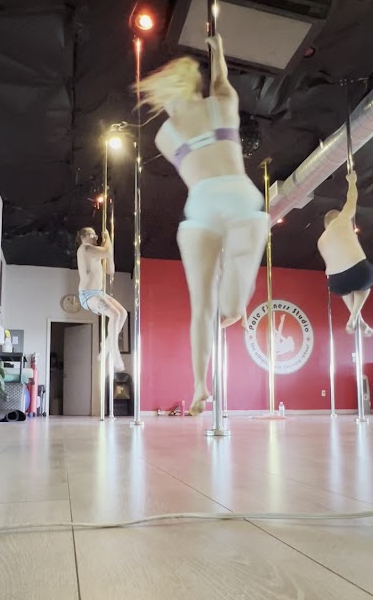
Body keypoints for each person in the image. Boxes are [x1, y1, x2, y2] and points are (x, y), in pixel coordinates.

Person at [139, 33, 269, 414]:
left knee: (202, 308)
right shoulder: (223, 104)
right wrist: (218, 49)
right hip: (238, 195)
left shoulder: (165, 135)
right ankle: (236, 299)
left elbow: (190, 113)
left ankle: (199, 386)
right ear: (197, 85)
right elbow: (221, 79)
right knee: (231, 297)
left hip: (200, 206)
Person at [317, 169, 373, 336]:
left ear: (325, 225)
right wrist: (352, 182)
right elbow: (352, 200)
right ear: (336, 218)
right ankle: (354, 316)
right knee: (366, 283)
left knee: (347, 289)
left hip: (336, 282)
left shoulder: (320, 240)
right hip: (359, 272)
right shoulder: (342, 220)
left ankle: (358, 320)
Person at [76, 227, 127, 372]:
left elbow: (111, 270)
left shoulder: (95, 254)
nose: (96, 237)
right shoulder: (85, 249)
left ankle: (105, 349)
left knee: (122, 314)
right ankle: (114, 353)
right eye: (93, 235)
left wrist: (108, 252)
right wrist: (108, 237)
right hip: (88, 295)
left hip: (99, 293)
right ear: (84, 237)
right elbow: (107, 252)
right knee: (115, 314)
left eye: (96, 235)